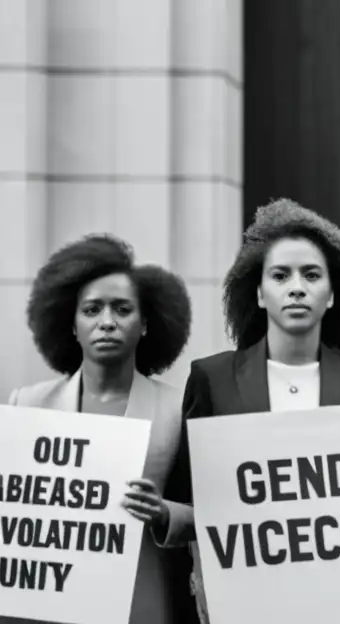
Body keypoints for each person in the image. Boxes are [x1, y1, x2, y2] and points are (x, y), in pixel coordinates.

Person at [163, 197, 340, 623]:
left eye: (311, 275)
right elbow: (190, 495)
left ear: (333, 294)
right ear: (260, 294)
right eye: (281, 275)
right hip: (245, 601)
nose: (297, 287)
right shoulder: (212, 377)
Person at [6, 234, 195, 624]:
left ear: (145, 323)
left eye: (122, 309)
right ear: (71, 325)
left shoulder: (178, 408)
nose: (106, 322)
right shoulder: (27, 404)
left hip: (143, 601)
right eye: (92, 310)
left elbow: (215, 512)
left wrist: (164, 514)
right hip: (51, 604)